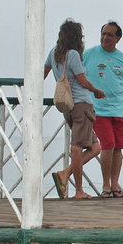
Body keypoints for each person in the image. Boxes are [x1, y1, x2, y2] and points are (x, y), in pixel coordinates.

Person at [43, 19, 105, 200]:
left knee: (95, 147)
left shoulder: (53, 53)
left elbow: (42, 74)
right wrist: (96, 91)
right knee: (77, 148)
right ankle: (78, 190)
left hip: (67, 106)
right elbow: (83, 82)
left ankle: (65, 173)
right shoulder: (74, 55)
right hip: (81, 105)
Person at [83, 20, 123, 198]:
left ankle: (115, 185)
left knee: (117, 148)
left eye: (109, 35)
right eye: (103, 33)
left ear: (118, 38)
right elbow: (74, 75)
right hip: (98, 110)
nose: (105, 37)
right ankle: (105, 185)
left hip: (119, 111)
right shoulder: (88, 55)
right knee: (107, 146)